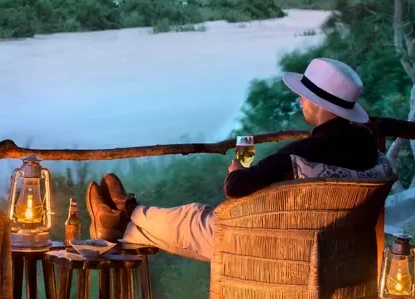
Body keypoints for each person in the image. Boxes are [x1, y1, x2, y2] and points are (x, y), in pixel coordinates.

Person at [87, 57, 386, 262]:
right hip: (330, 247)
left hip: (266, 247)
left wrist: (235, 168)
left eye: (304, 96)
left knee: (192, 217)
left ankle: (126, 211)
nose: (300, 100)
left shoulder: (303, 154)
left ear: (318, 103)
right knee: (196, 218)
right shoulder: (367, 147)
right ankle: (117, 222)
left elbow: (236, 187)